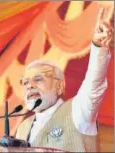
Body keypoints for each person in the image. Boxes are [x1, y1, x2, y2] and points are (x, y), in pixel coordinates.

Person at [16, 7, 113, 152]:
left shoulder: (78, 110)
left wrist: (98, 47)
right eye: (25, 82)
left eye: (38, 79)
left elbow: (94, 84)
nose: (29, 86)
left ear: (59, 86)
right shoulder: (23, 128)